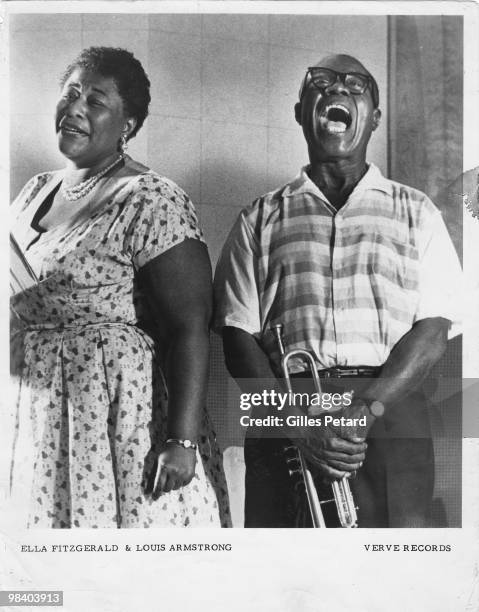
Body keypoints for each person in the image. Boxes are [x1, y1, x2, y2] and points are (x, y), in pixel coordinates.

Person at [213, 53, 461, 527]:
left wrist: (367, 409)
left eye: (356, 85)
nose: (337, 90)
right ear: (300, 111)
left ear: (375, 119)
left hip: (392, 409)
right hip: (286, 412)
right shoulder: (258, 218)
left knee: (393, 583)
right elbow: (237, 338)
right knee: (287, 582)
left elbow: (433, 330)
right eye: (320, 83)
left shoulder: (418, 211)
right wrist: (301, 425)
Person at [10, 47, 230, 528]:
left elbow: (189, 328)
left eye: (95, 101)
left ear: (127, 123)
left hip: (119, 422)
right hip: (38, 415)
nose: (75, 109)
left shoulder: (153, 198)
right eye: (70, 93)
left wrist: (182, 441)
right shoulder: (32, 192)